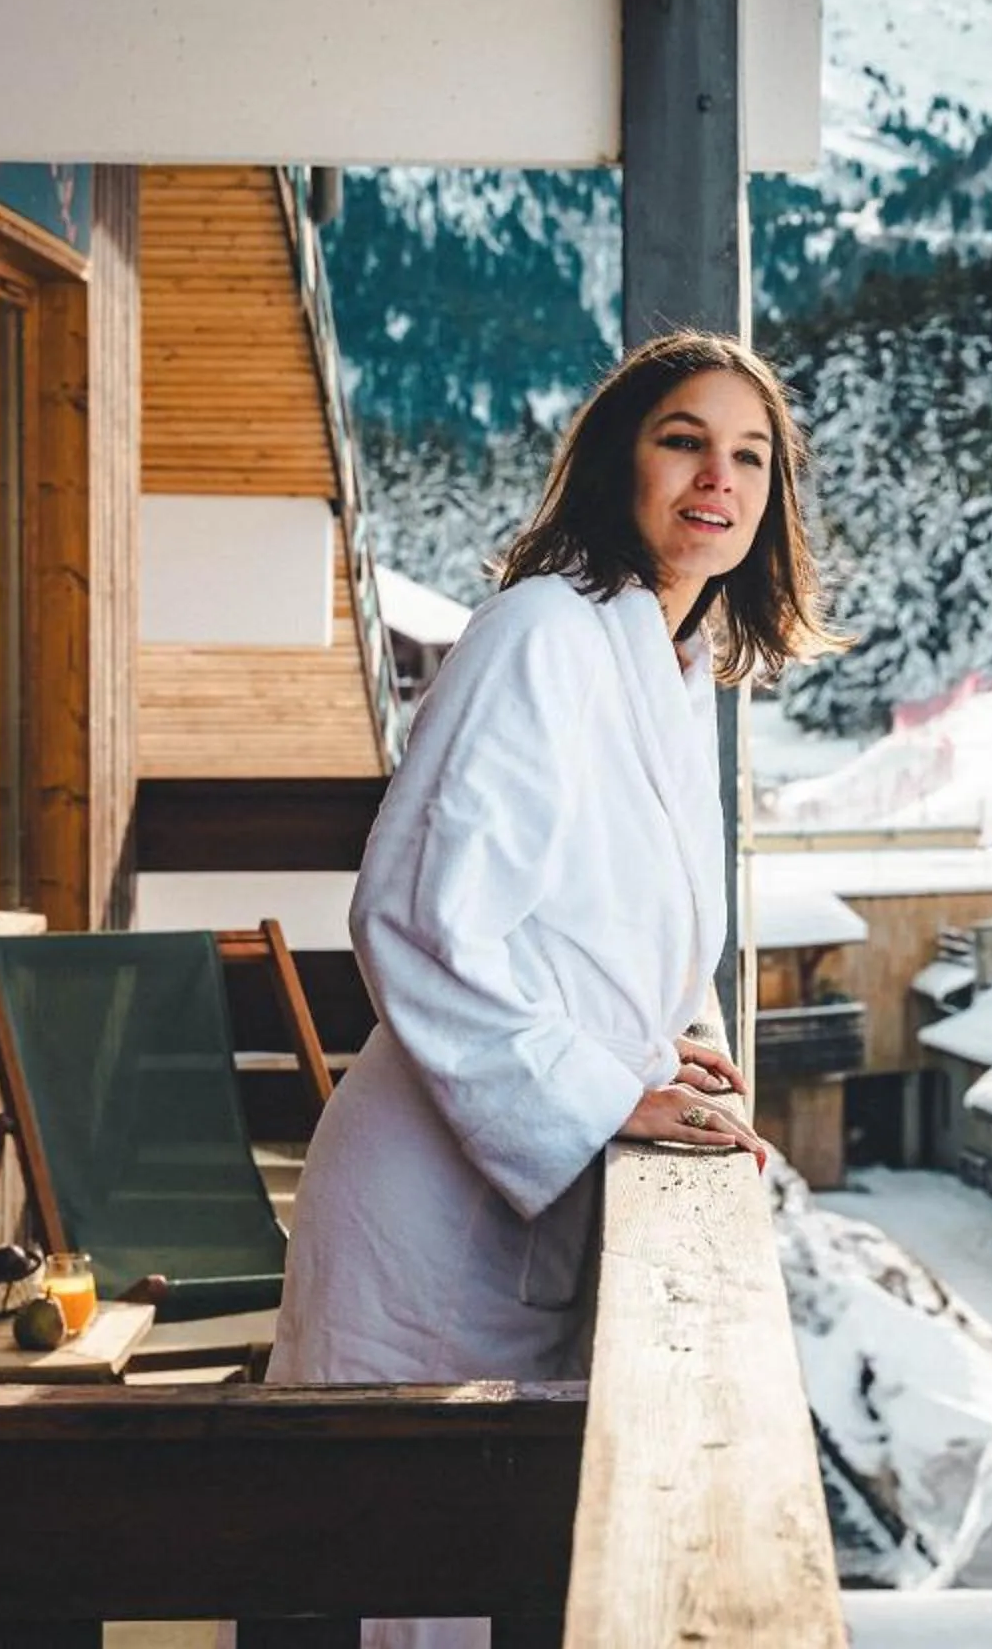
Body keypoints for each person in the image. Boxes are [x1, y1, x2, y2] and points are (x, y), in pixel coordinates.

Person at [271, 332, 843, 1408]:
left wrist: (639, 1038)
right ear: (619, 461)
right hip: (430, 1205)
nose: (719, 477)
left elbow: (580, 920)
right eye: (684, 441)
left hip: (516, 1209)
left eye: (750, 455)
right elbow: (418, 918)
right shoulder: (541, 632)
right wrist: (603, 1088)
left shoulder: (667, 665)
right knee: (397, 1499)